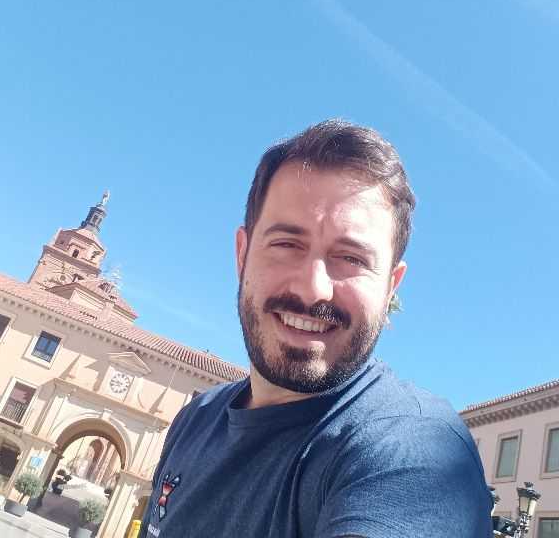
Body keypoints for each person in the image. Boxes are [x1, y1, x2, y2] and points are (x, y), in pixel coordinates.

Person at [140, 120, 493, 537]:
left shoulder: (416, 451)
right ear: (242, 254)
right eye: (287, 244)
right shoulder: (195, 420)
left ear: (390, 288)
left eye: (352, 258)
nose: (313, 289)